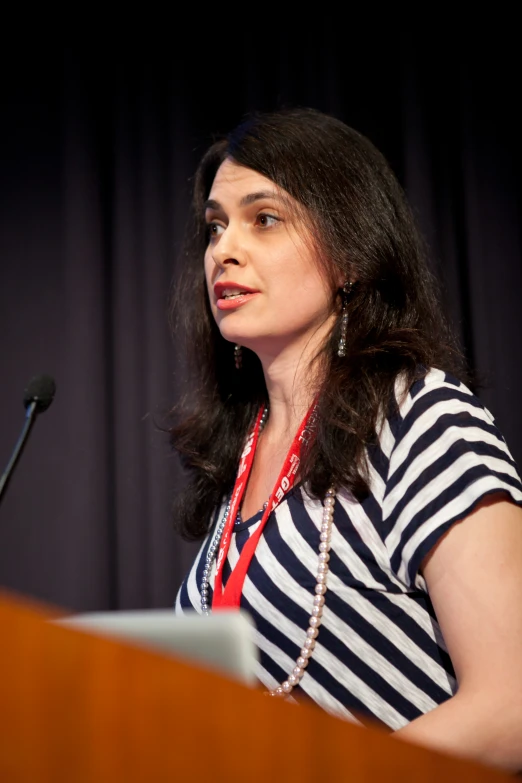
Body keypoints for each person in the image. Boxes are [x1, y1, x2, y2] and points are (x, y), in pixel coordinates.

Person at [169, 107, 522, 772]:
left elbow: (513, 703)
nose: (224, 248)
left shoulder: (421, 419)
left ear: (351, 255)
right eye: (215, 225)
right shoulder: (240, 462)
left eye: (263, 218)